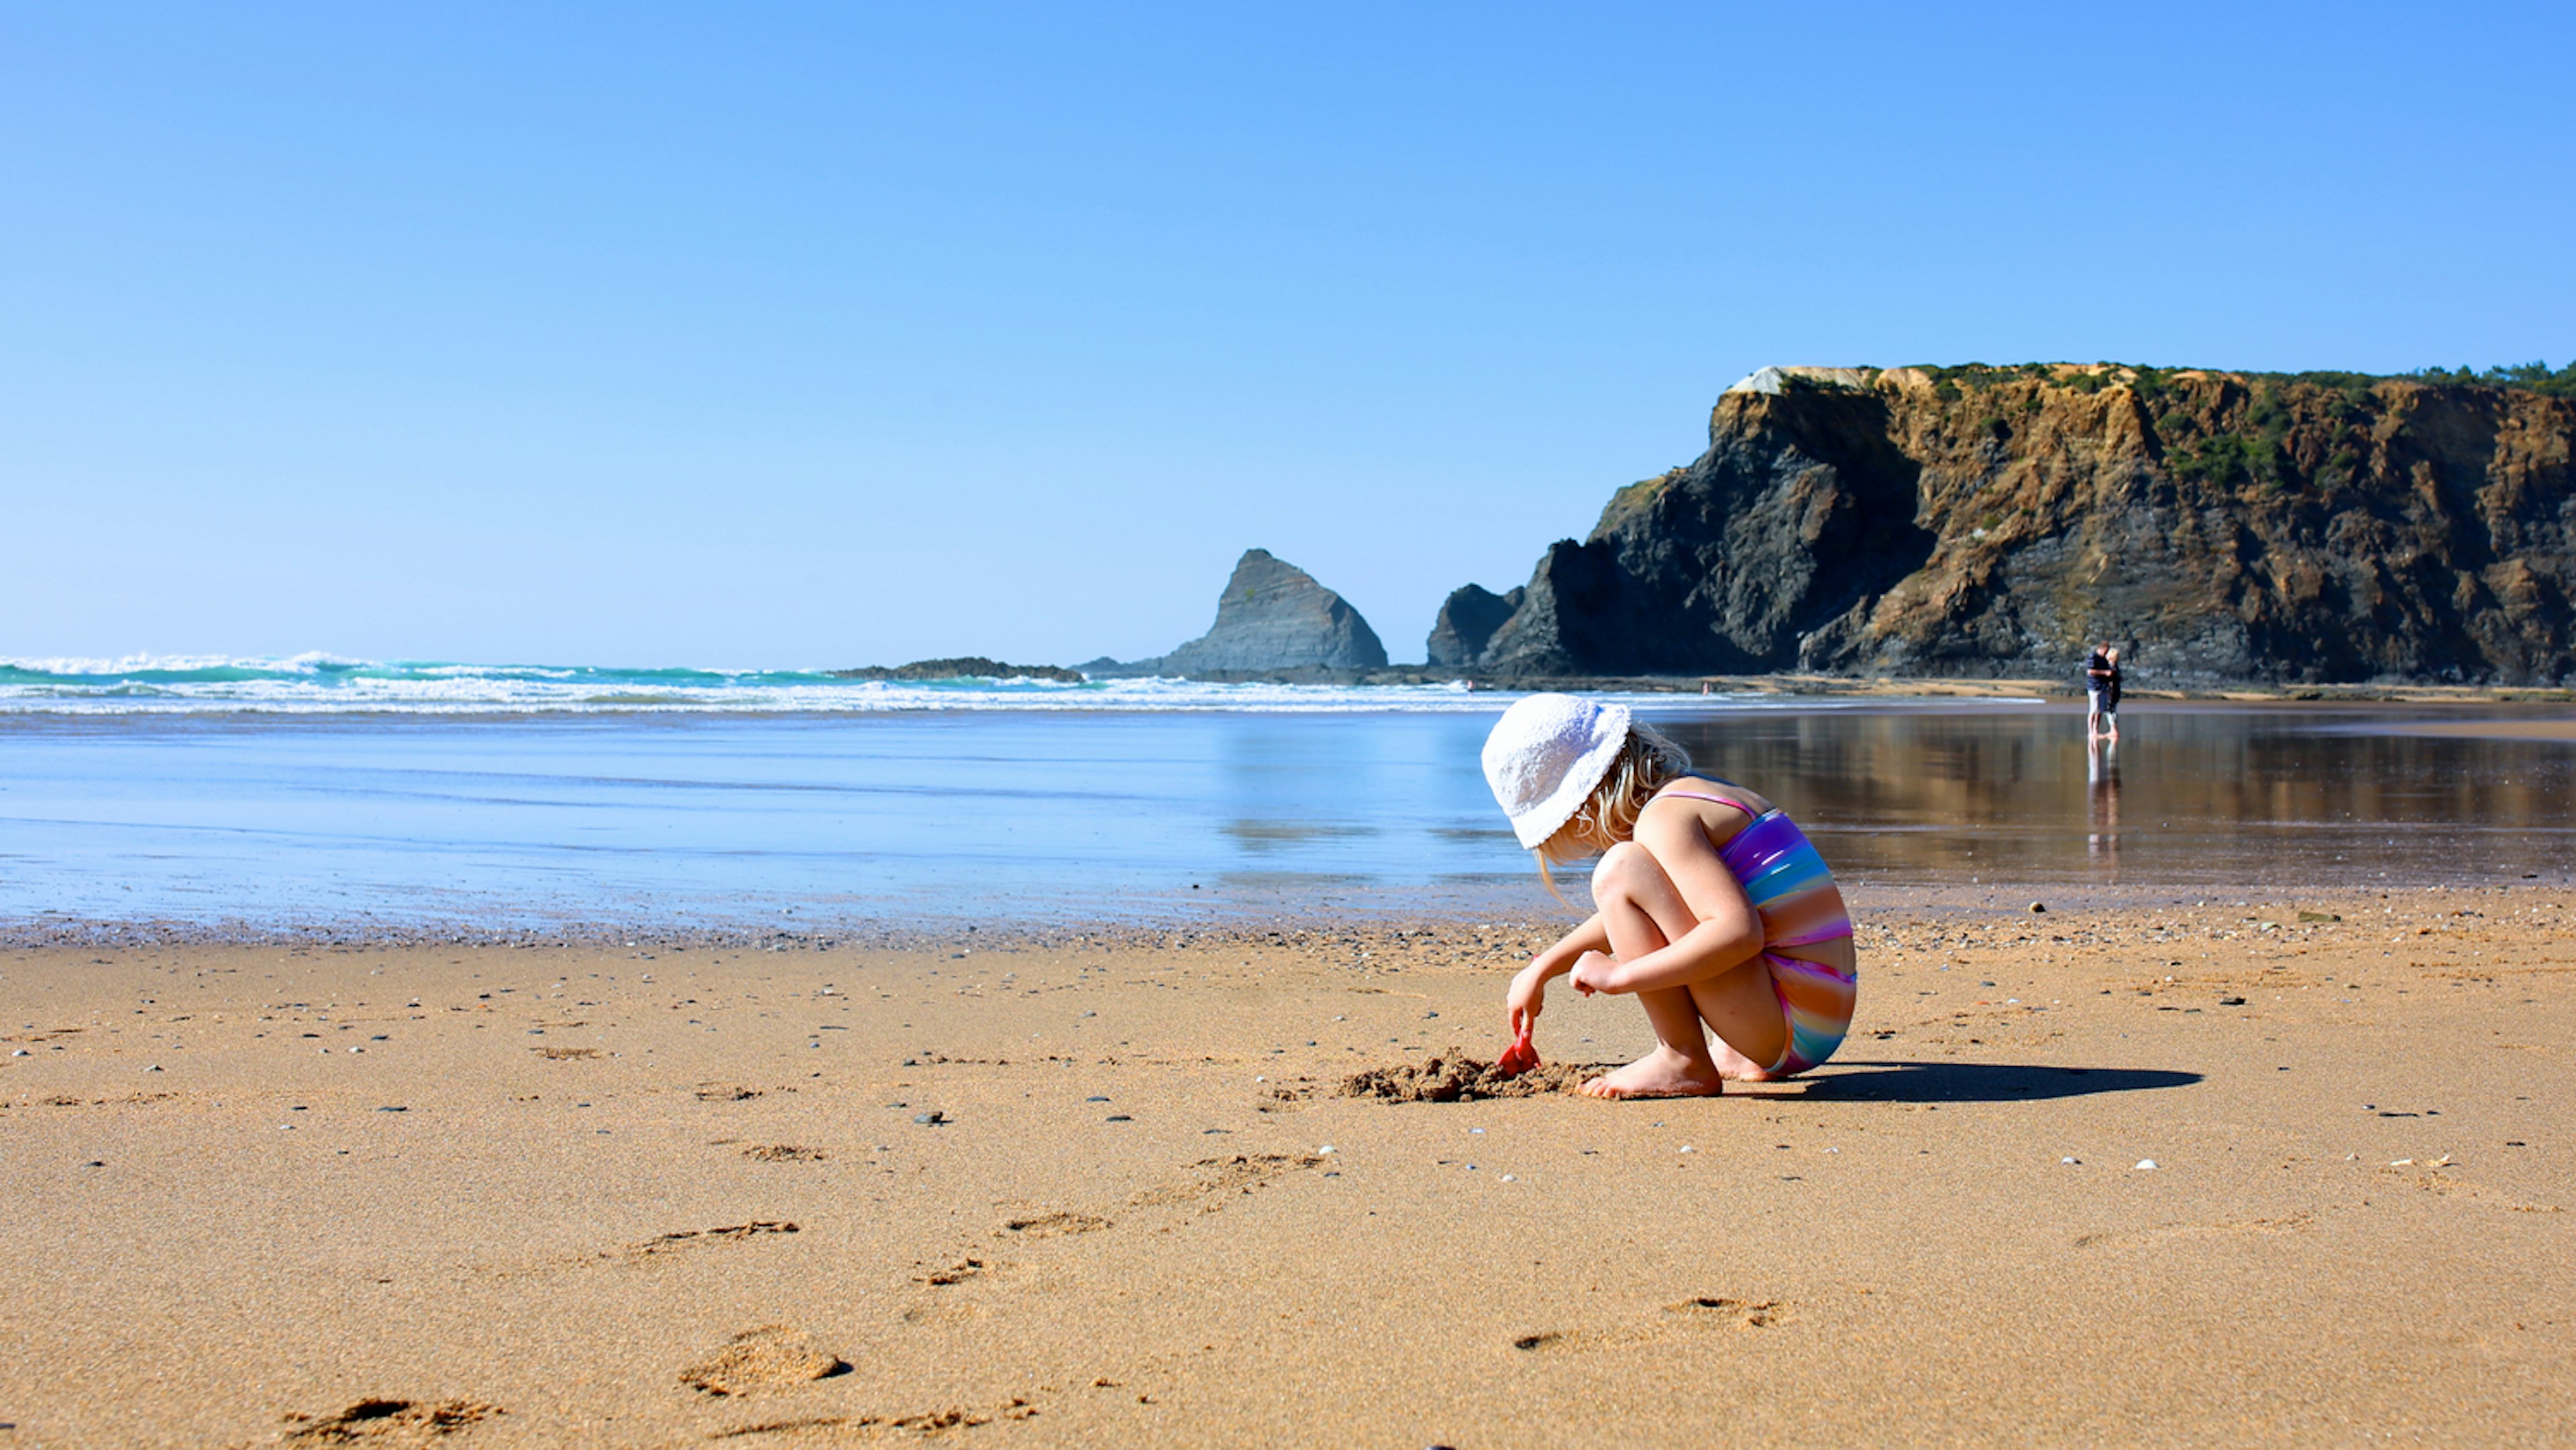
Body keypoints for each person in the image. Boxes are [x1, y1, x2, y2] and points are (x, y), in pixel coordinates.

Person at [1481, 694, 1857, 1099]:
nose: (1588, 849)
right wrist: (1541, 969)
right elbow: (1662, 906)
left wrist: (1619, 976)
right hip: (1817, 1016)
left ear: (1583, 807)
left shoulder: (1662, 823)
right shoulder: (1698, 794)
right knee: (1630, 874)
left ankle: (1682, 1060)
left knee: (1620, 868)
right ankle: (1733, 1047)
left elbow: (1738, 933)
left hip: (1788, 1027)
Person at [2084, 643, 2114, 739]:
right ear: (2101, 649)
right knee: (2094, 709)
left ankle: (2096, 730)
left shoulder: (2105, 659)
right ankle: (2091, 732)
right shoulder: (2093, 657)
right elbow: (2090, 671)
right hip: (2094, 687)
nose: (2106, 653)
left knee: (2101, 710)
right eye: (2106, 651)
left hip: (2103, 687)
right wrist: (2105, 673)